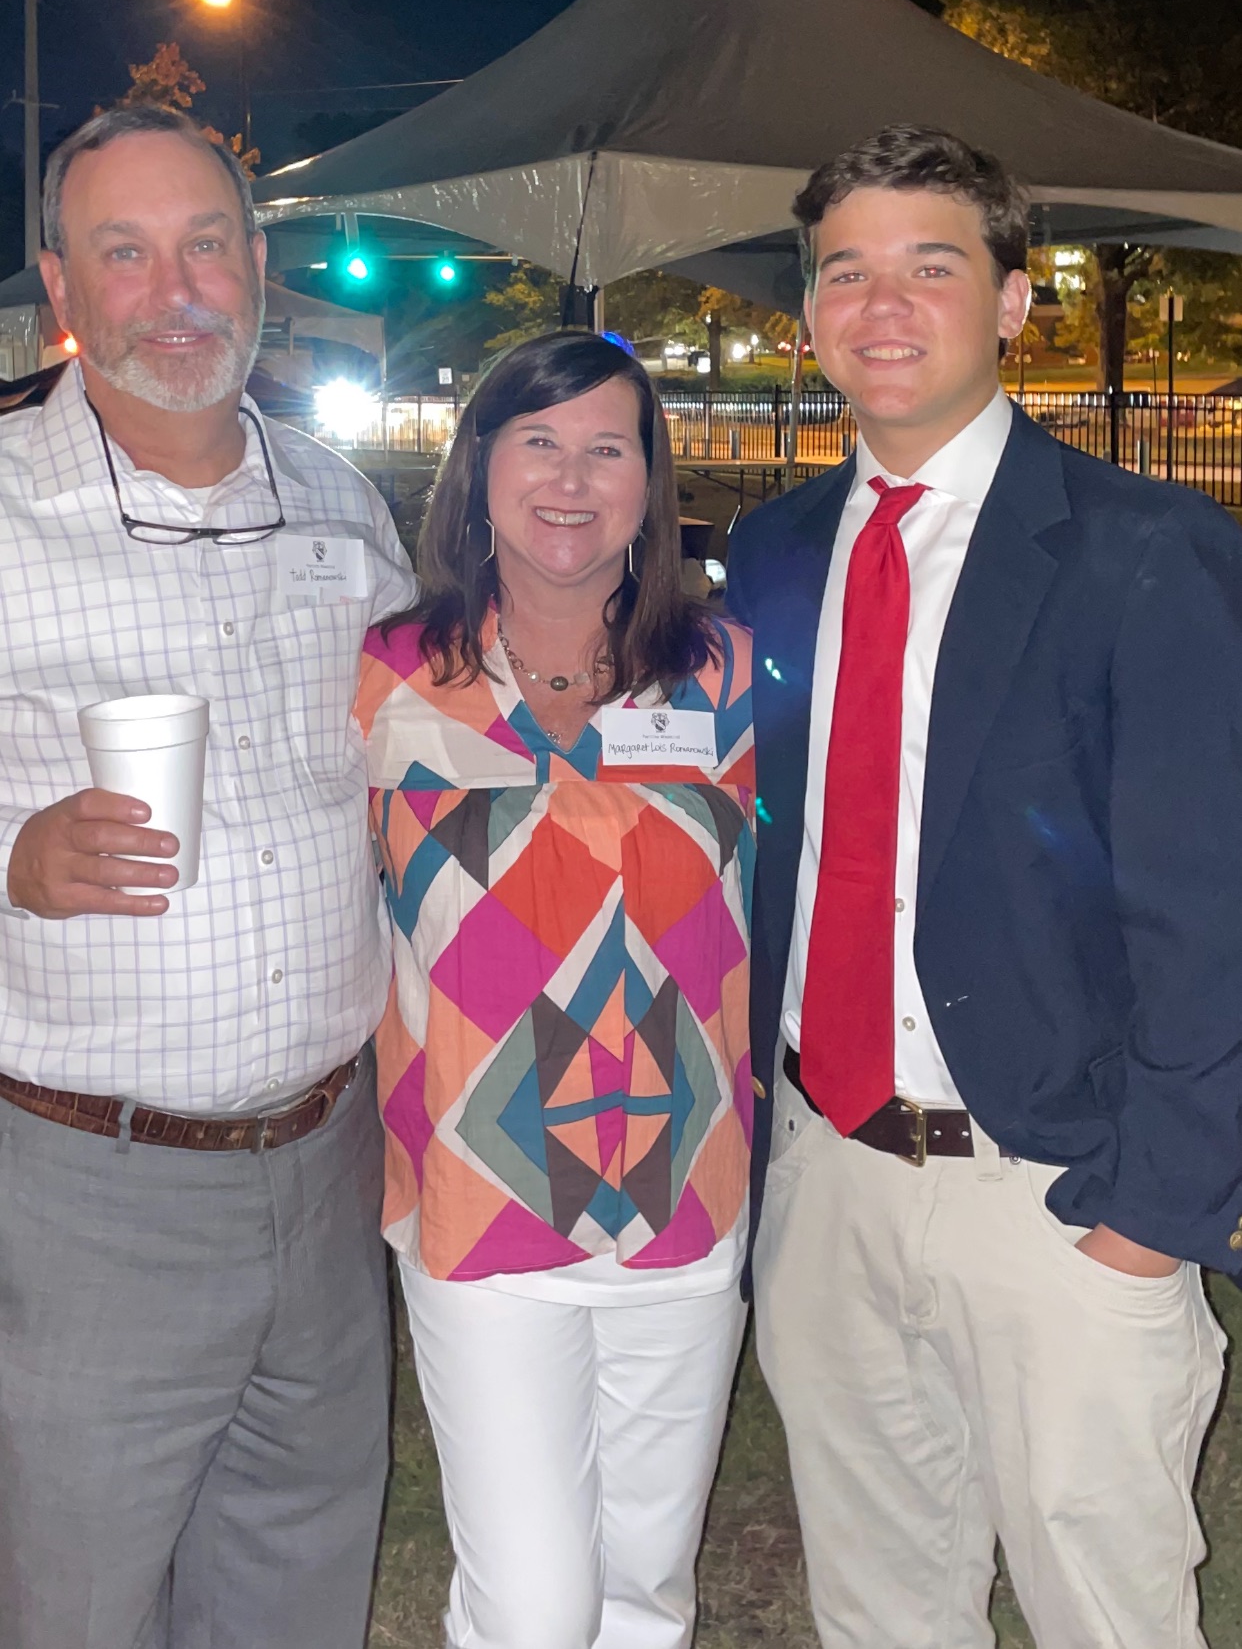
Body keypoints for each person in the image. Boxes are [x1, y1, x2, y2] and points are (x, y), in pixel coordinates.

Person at [726, 123, 1240, 1649]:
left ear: (1013, 301)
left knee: (1106, 1614)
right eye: (845, 274)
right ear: (808, 314)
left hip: (1056, 1196)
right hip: (826, 1176)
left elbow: (1210, 914)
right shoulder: (770, 549)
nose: (882, 308)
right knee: (879, 1609)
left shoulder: (1147, 549)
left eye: (930, 268)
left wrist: (1151, 1215)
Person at [0, 105, 414, 1649]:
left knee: (295, 1575)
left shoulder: (337, 500)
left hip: (323, 1166)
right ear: (64, 283)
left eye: (204, 242)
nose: (173, 288)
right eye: (125, 250)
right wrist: (15, 854)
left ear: (258, 262)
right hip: (82, 1185)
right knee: (73, 1598)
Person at [357, 330, 755, 1649]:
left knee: (645, 1589)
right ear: (477, 473)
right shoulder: (387, 675)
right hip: (484, 1202)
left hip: (688, 1195)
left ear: (651, 480)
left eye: (607, 447)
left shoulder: (727, 675)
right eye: (537, 443)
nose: (570, 481)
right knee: (532, 1608)